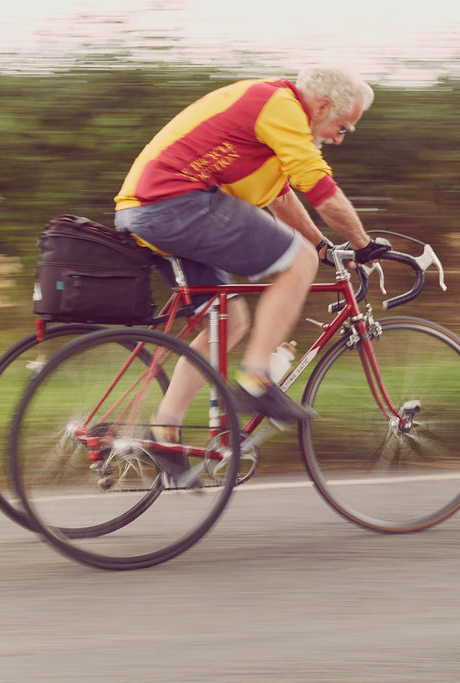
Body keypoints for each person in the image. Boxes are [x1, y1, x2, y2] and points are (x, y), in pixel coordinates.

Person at [114, 65, 391, 445]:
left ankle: (164, 430)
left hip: (146, 211)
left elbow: (281, 197)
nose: (340, 139)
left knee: (228, 323)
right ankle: (257, 379)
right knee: (299, 262)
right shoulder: (281, 105)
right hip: (174, 203)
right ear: (323, 106)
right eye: (343, 128)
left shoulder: (274, 118)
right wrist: (363, 243)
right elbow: (319, 188)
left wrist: (322, 245)